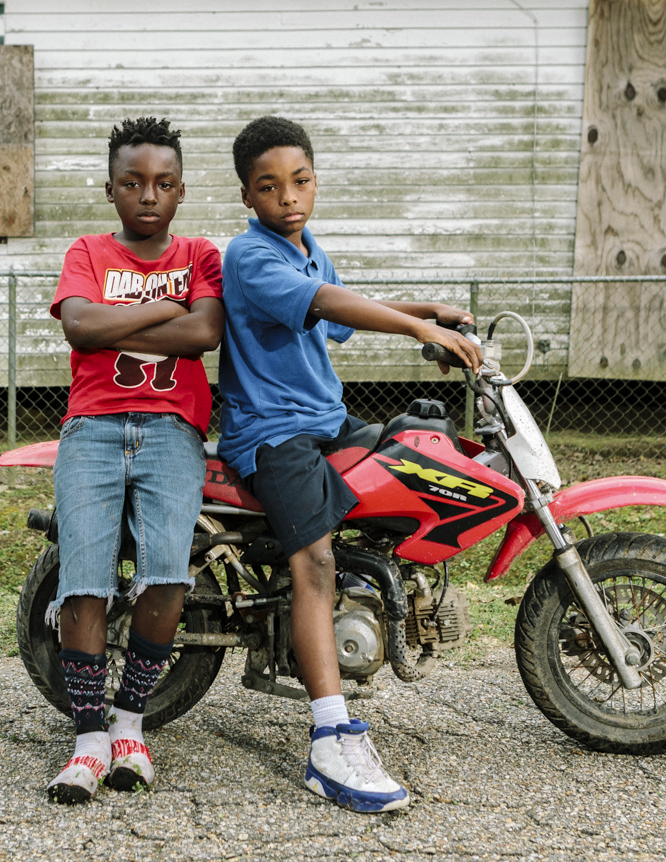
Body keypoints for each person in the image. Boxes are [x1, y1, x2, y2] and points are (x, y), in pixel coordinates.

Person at [215, 115, 482, 814]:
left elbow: (341, 310)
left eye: (300, 181)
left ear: (314, 181)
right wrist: (420, 327)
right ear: (248, 196)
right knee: (316, 562)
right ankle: (330, 735)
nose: (288, 197)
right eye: (270, 187)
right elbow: (328, 304)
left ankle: (378, 597)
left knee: (419, 457)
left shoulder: (305, 247)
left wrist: (428, 309)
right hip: (273, 434)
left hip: (326, 421)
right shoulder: (250, 256)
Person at [44, 116, 225, 803]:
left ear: (180, 190)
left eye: (163, 183)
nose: (148, 195)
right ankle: (88, 740)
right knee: (83, 582)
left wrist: (140, 316)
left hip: (172, 428)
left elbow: (204, 331)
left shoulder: (201, 253)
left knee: (166, 577)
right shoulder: (88, 249)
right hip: (91, 427)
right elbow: (80, 325)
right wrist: (161, 307)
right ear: (111, 188)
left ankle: (130, 724)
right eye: (132, 182)